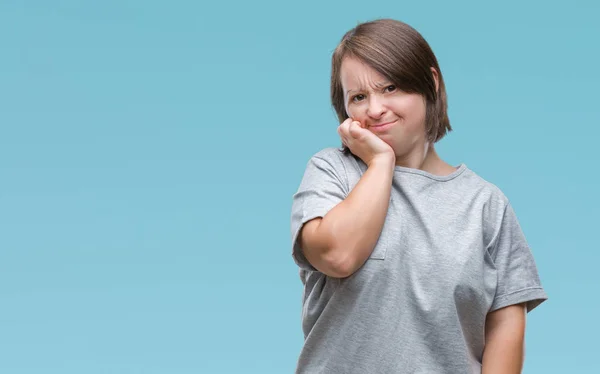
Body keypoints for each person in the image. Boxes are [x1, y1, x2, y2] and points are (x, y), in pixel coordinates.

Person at [290, 18, 547, 373]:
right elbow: (337, 255)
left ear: (431, 83)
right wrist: (381, 162)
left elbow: (505, 327)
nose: (375, 109)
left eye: (391, 87)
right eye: (359, 97)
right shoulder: (333, 172)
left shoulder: (486, 204)